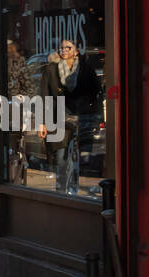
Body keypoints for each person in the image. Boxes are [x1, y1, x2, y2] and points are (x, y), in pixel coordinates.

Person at [38, 38, 102, 195]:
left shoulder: (86, 69)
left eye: (68, 47)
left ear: (76, 51)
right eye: (62, 48)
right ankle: (61, 191)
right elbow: (43, 95)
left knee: (78, 157)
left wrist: (92, 111)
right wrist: (42, 122)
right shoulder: (51, 69)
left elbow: (96, 91)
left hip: (81, 118)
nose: (64, 50)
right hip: (59, 117)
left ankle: (73, 190)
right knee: (61, 157)